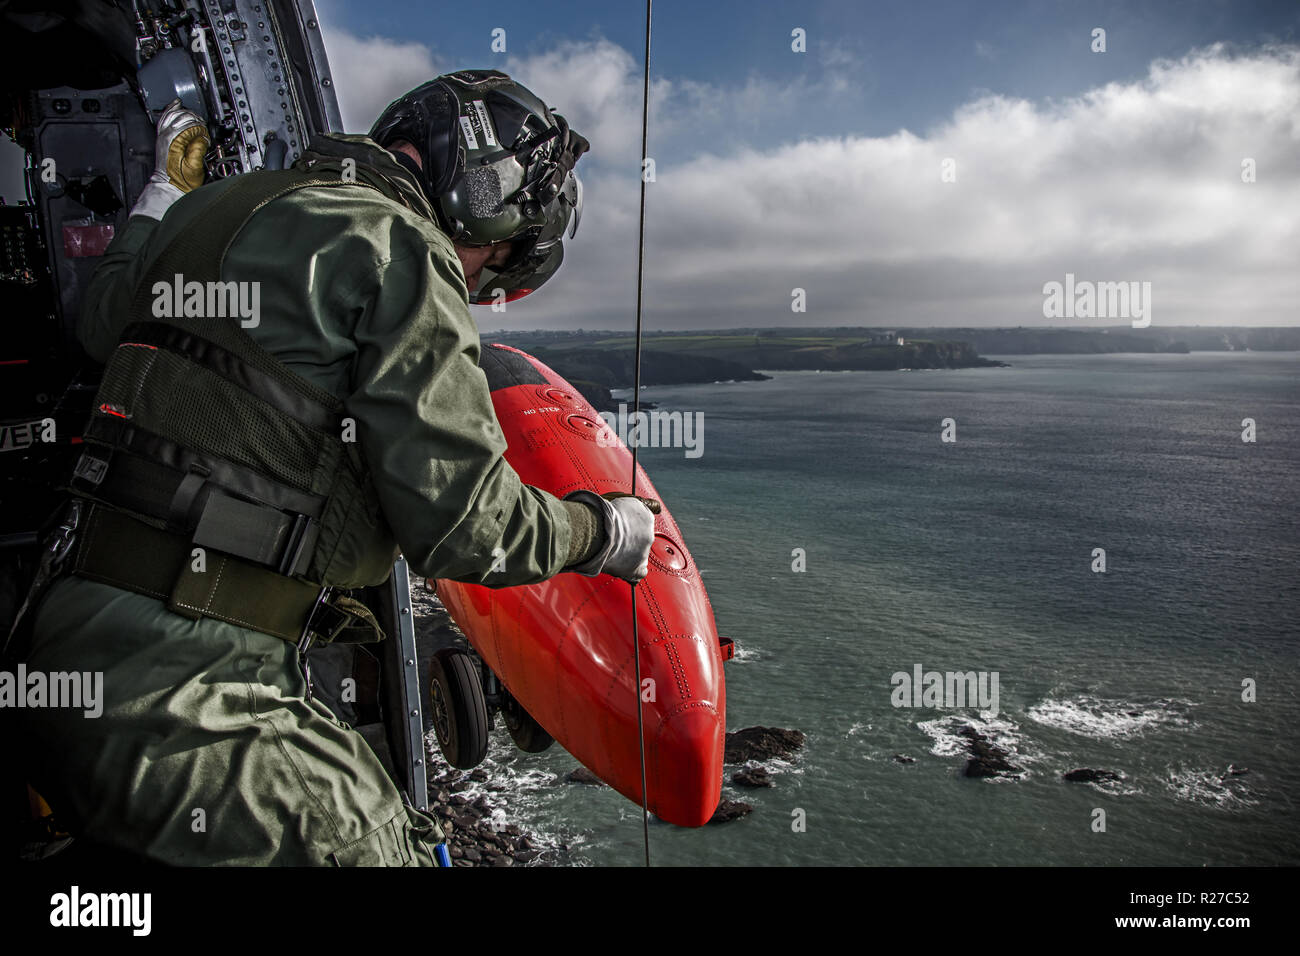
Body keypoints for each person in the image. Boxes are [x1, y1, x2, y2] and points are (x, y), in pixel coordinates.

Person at [13, 69, 657, 866]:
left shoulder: (212, 208)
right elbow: (466, 527)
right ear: (483, 198)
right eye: (493, 260)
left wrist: (159, 195)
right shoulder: (404, 251)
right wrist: (604, 531)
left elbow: (100, 319)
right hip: (186, 698)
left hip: (61, 643)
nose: (477, 280)